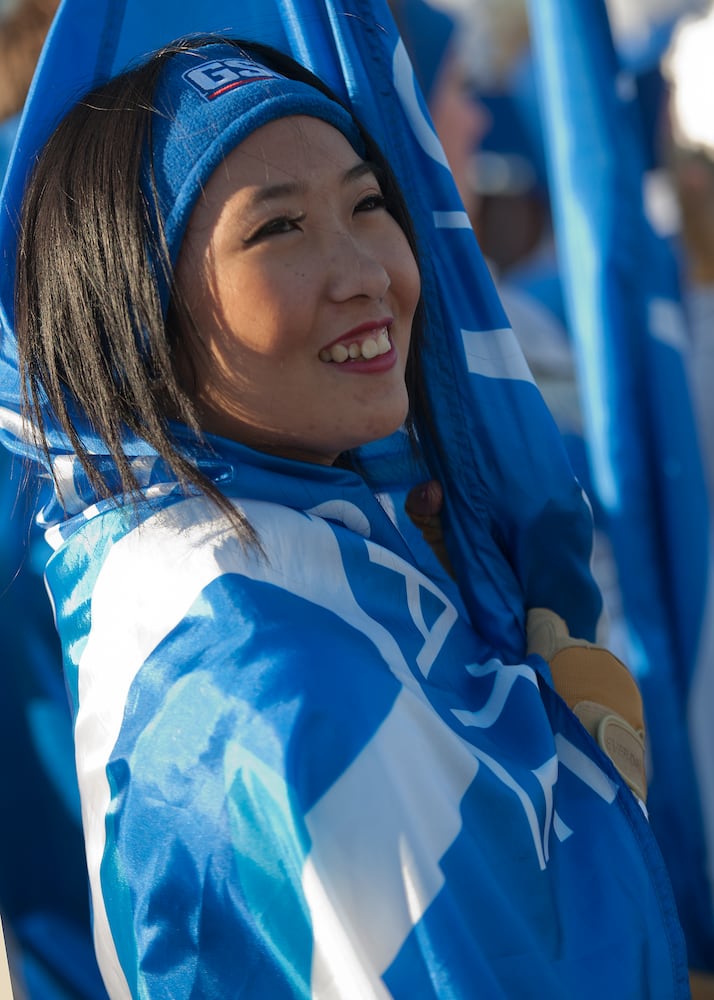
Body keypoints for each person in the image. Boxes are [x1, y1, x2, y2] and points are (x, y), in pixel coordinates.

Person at [6, 31, 688, 997]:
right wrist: (577, 777)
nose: (365, 270)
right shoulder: (265, 674)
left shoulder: (308, 544)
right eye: (277, 229)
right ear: (137, 306)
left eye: (369, 203)